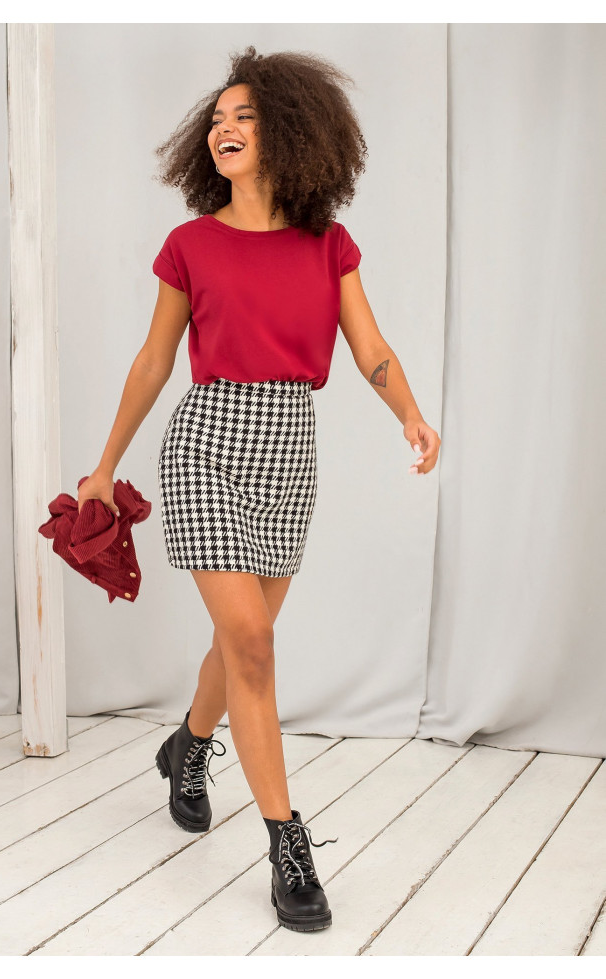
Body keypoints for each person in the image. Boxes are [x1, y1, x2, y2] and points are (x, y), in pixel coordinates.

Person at [78, 45, 441, 933]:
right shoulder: (190, 244)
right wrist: (105, 463)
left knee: (242, 642)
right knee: (252, 641)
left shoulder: (329, 244)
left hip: (289, 454)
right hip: (205, 445)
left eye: (244, 116)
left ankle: (189, 745)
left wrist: (409, 412)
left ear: (290, 131)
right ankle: (288, 844)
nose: (224, 128)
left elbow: (369, 346)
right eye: (216, 119)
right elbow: (155, 359)